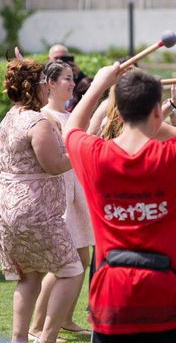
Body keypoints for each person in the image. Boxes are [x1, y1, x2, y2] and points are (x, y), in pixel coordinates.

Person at [63, 65, 176, 341]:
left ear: (117, 111)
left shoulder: (94, 156)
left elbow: (70, 129)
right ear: (158, 111)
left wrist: (100, 85)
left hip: (112, 299)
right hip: (166, 299)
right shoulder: (174, 156)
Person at [0, 59, 84, 343]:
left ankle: (19, 339)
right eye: (43, 83)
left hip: (10, 212)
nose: (48, 88)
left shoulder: (9, 117)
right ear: (33, 88)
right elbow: (55, 165)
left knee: (30, 275)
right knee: (72, 270)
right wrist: (81, 152)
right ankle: (46, 339)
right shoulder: (37, 122)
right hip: (36, 212)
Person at [30, 61, 94, 338]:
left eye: (72, 78)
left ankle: (65, 317)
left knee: (81, 258)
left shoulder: (68, 114)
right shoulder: (43, 116)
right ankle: (36, 326)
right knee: (64, 263)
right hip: (60, 194)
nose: (72, 83)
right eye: (66, 79)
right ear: (51, 84)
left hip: (77, 191)